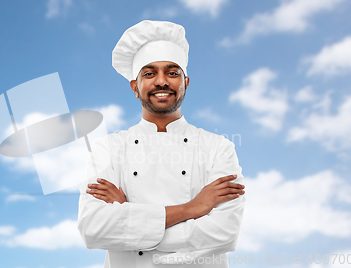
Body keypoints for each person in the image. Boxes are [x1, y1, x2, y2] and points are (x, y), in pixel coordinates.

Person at [77, 20, 246, 268]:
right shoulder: (108, 149)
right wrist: (191, 209)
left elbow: (225, 234)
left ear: (185, 83)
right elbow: (92, 229)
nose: (161, 81)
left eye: (172, 72)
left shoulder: (218, 148)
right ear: (135, 87)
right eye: (149, 73)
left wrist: (130, 217)